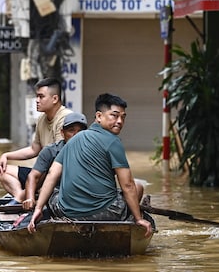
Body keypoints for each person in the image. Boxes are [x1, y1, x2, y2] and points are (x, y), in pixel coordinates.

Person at [27, 93, 153, 237]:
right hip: (106, 213)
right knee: (138, 186)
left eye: (123, 117)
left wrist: (38, 208)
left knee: (53, 192)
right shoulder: (113, 142)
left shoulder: (72, 140)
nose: (119, 121)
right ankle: (128, 222)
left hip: (66, 212)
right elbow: (128, 185)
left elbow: (51, 175)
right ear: (99, 116)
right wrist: (138, 219)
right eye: (114, 115)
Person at [0, 77, 72, 203]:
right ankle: (21, 196)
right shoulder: (42, 119)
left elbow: (58, 161)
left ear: (55, 99)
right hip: (41, 172)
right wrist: (6, 155)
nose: (37, 101)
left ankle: (23, 197)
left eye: (41, 96)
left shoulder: (65, 119)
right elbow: (34, 149)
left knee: (40, 174)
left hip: (57, 175)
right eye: (36, 96)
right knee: (3, 171)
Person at [20, 112, 88, 211]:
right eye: (71, 130)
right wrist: (30, 198)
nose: (76, 135)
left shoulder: (92, 151)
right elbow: (33, 176)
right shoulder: (50, 151)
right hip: (57, 194)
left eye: (80, 131)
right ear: (62, 133)